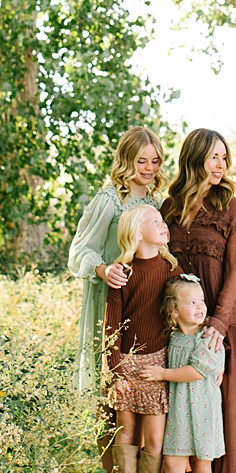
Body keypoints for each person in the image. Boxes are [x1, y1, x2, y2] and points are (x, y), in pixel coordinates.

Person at [162, 128, 236, 473]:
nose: (221, 165)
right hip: (176, 326)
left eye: (224, 158)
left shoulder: (231, 209)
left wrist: (217, 323)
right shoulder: (169, 207)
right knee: (178, 407)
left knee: (225, 407)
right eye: (213, 157)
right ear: (194, 158)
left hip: (219, 324)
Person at [68, 127, 166, 396]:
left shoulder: (157, 203)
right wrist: (102, 269)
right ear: (127, 160)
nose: (149, 168)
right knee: (111, 386)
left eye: (155, 161)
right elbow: (79, 251)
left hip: (144, 303)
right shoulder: (108, 200)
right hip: (111, 300)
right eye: (141, 160)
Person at [104, 203, 181, 473]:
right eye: (155, 222)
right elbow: (112, 325)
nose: (164, 225)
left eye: (163, 221)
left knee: (154, 437)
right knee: (126, 431)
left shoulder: (171, 271)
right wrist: (116, 370)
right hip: (126, 363)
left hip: (158, 364)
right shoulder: (124, 273)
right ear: (137, 232)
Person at [144, 275, 225, 473]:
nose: (200, 307)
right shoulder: (171, 338)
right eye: (191, 302)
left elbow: (197, 371)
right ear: (173, 310)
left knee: (202, 465)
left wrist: (162, 374)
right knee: (174, 463)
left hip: (204, 410)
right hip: (177, 410)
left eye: (201, 301)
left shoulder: (209, 338)